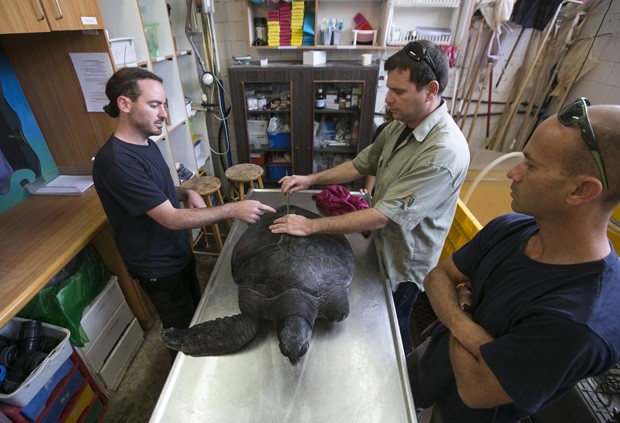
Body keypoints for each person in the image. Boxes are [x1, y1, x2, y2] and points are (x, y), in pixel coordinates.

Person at [410, 100, 620, 422]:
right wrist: (467, 329)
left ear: (580, 190)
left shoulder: (579, 319)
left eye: (531, 165)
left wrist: (462, 303)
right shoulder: (512, 227)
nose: (513, 172)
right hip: (431, 362)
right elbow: (437, 276)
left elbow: (475, 390)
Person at [270, 40, 470, 355]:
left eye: (399, 92)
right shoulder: (400, 126)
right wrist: (310, 179)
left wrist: (309, 226)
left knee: (394, 328)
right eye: (388, 88)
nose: (388, 99)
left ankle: (406, 387)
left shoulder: (443, 153)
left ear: (431, 91)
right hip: (380, 246)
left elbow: (382, 215)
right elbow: (361, 163)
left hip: (403, 263)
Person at [93, 67, 275, 335]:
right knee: (181, 332)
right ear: (124, 104)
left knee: (196, 315)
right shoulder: (117, 161)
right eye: (154, 105)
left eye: (163, 105)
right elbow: (170, 217)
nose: (164, 114)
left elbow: (157, 189)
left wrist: (185, 192)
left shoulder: (146, 143)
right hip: (158, 266)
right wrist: (233, 208)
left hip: (177, 251)